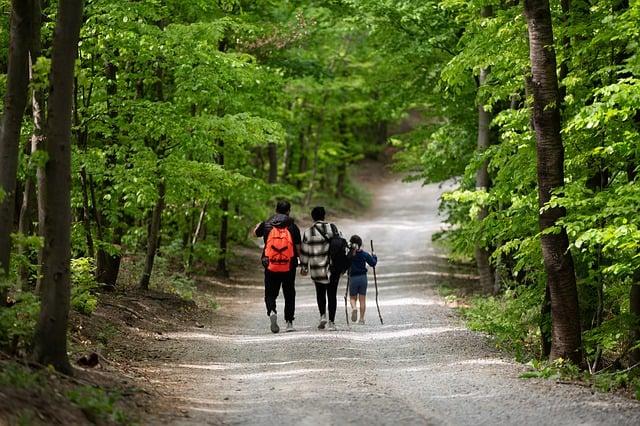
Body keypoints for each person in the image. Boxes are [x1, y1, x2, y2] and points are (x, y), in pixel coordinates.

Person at [254, 200, 301, 333]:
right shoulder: (292, 225)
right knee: (289, 293)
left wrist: (259, 225)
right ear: (288, 211)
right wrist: (302, 262)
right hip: (289, 264)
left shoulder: (267, 223)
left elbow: (255, 233)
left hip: (270, 263)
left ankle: (272, 310)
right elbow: (298, 246)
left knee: (270, 293)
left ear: (276, 210)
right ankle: (289, 322)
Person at [300, 206, 343, 331]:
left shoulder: (308, 232)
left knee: (320, 292)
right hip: (332, 267)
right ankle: (332, 322)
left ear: (312, 217)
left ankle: (322, 315)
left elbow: (305, 251)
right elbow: (339, 245)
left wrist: (304, 267)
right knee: (332, 294)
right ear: (324, 215)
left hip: (316, 268)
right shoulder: (332, 228)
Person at [348, 235, 377, 325]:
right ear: (360, 244)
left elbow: (345, 264)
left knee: (353, 298)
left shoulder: (349, 255)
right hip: (363, 278)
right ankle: (361, 319)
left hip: (353, 278)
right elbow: (373, 263)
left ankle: (354, 308)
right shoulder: (365, 254)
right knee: (362, 300)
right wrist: (374, 256)